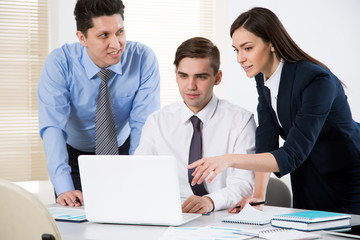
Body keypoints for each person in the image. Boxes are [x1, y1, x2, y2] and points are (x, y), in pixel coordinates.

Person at [188, 7, 360, 214]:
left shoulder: (317, 80)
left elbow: (292, 153)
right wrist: (258, 196)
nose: (240, 58)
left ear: (271, 43)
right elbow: (267, 137)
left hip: (348, 175)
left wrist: (228, 159)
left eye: (248, 48)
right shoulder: (263, 77)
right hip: (306, 173)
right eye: (236, 50)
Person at [38, 0, 160, 207]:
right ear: (82, 38)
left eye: (120, 32)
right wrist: (63, 186)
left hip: (124, 150)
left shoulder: (142, 59)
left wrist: (139, 175)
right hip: (74, 155)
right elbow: (53, 127)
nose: (116, 44)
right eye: (104, 35)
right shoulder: (60, 63)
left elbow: (143, 124)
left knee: (129, 212)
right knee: (78, 220)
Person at [135, 37, 256, 214]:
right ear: (175, 74)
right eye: (183, 76)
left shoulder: (241, 121)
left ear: (218, 77)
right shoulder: (157, 122)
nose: (191, 86)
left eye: (201, 77)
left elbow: (244, 184)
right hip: (171, 215)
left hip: (221, 214)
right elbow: (139, 175)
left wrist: (210, 201)